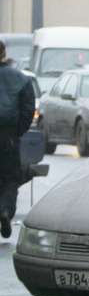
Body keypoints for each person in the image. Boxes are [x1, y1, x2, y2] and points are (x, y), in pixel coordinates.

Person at [0, 40, 36, 239]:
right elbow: (28, 109)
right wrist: (18, 131)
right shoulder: (20, 79)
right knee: (11, 178)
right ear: (4, 53)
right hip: (8, 136)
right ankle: (5, 210)